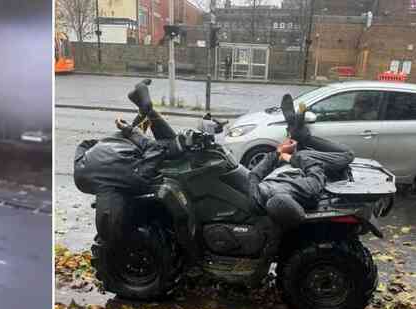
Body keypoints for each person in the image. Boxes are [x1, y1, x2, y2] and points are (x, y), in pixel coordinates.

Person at [119, 83, 355, 227]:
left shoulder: (311, 183)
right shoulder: (304, 183)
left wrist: (285, 156)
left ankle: (144, 112)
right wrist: (281, 154)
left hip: (247, 185)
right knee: (188, 148)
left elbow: (256, 178)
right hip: (248, 179)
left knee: (185, 153)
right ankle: (145, 108)